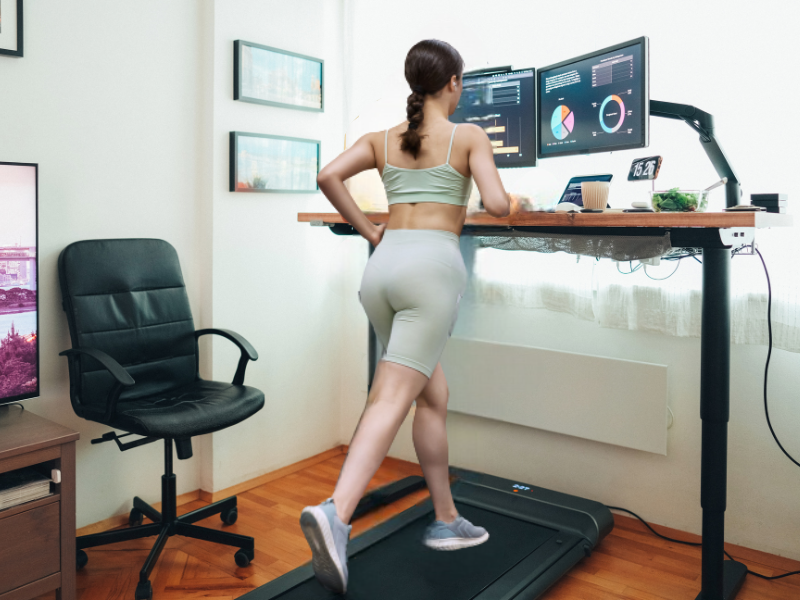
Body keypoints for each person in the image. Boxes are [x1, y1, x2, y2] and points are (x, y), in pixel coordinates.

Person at [299, 39, 511, 594]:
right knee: (390, 397)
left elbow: (326, 176)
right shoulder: (468, 136)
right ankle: (336, 514)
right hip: (430, 274)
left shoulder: (381, 139)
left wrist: (370, 231)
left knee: (430, 396)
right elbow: (495, 204)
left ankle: (446, 519)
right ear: (454, 83)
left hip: (381, 272)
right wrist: (514, 198)